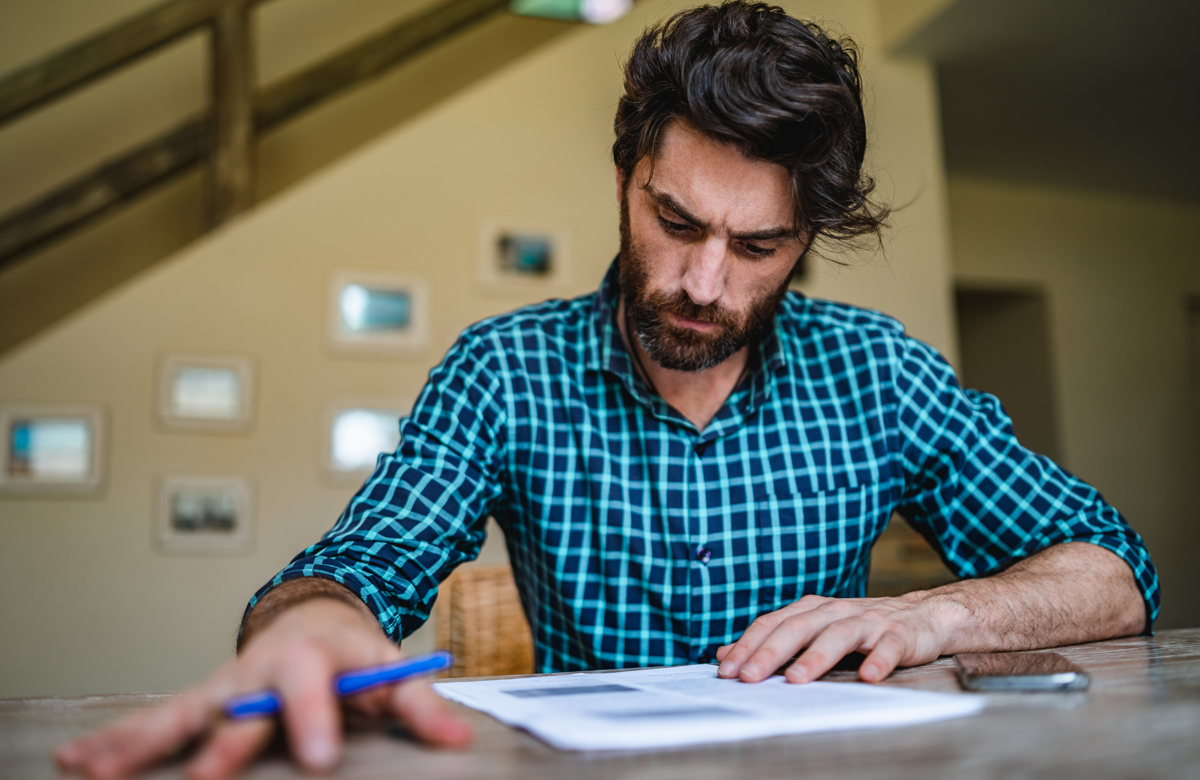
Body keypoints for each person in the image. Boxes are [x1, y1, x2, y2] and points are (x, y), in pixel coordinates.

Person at [57, 3, 1158, 778]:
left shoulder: (880, 371)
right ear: (626, 173)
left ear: (805, 237)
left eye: (759, 245)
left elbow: (1111, 571)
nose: (701, 283)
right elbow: (358, 570)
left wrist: (934, 614)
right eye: (674, 221)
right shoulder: (505, 369)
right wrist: (306, 629)